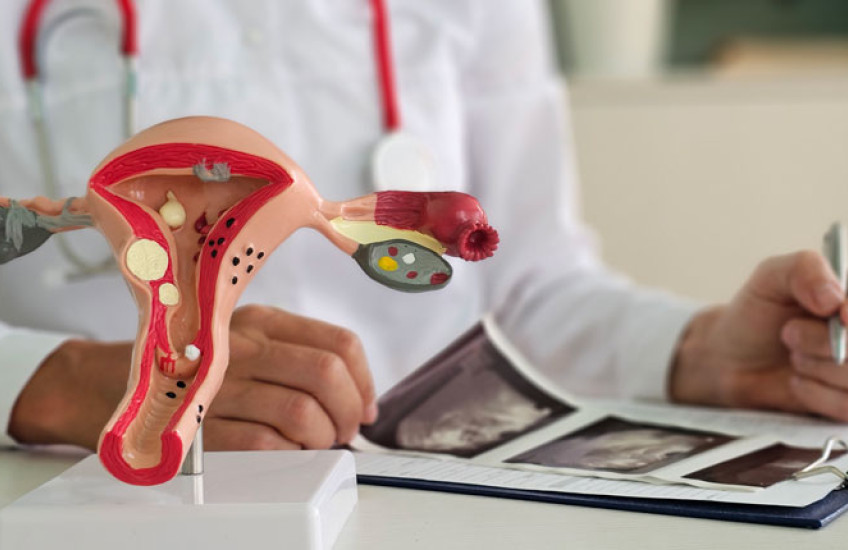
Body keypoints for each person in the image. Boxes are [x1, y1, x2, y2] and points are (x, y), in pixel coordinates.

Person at [1, 0, 846, 453]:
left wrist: (699, 355)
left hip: (417, 502)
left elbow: (523, 287)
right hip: (87, 494)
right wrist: (51, 381)